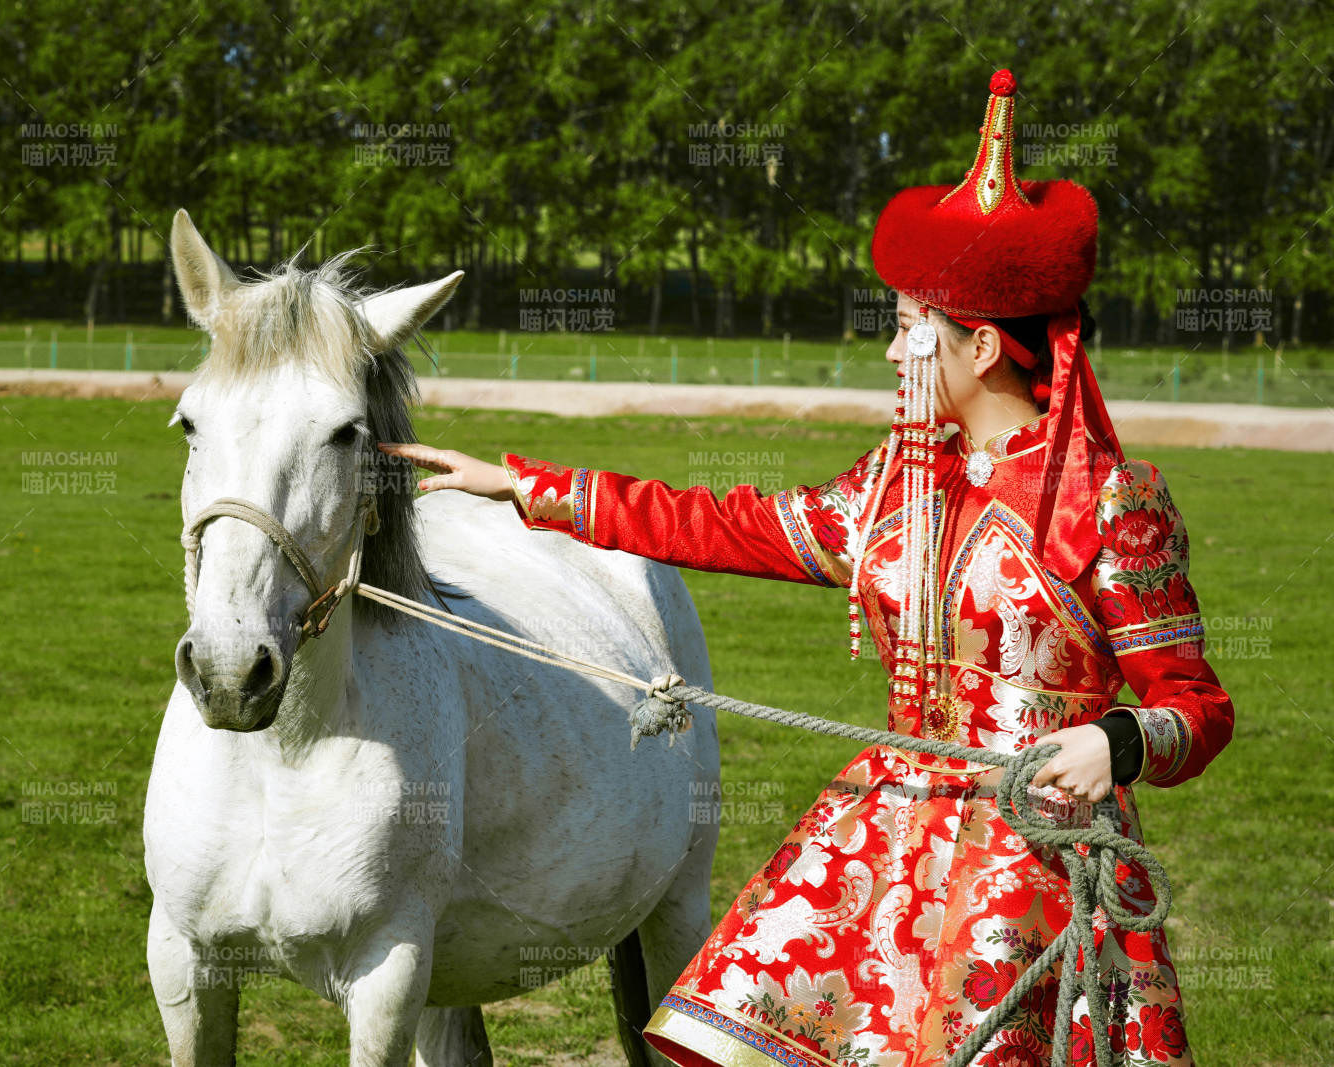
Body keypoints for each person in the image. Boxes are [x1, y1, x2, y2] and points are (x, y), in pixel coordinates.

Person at [379, 69, 1232, 1067]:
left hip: (1041, 861)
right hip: (896, 832)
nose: (890, 354)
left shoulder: (1110, 501)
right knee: (728, 1022)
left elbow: (1199, 704)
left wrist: (1117, 741)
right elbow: (721, 523)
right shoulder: (889, 487)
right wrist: (528, 489)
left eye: (909, 327)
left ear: (984, 346)